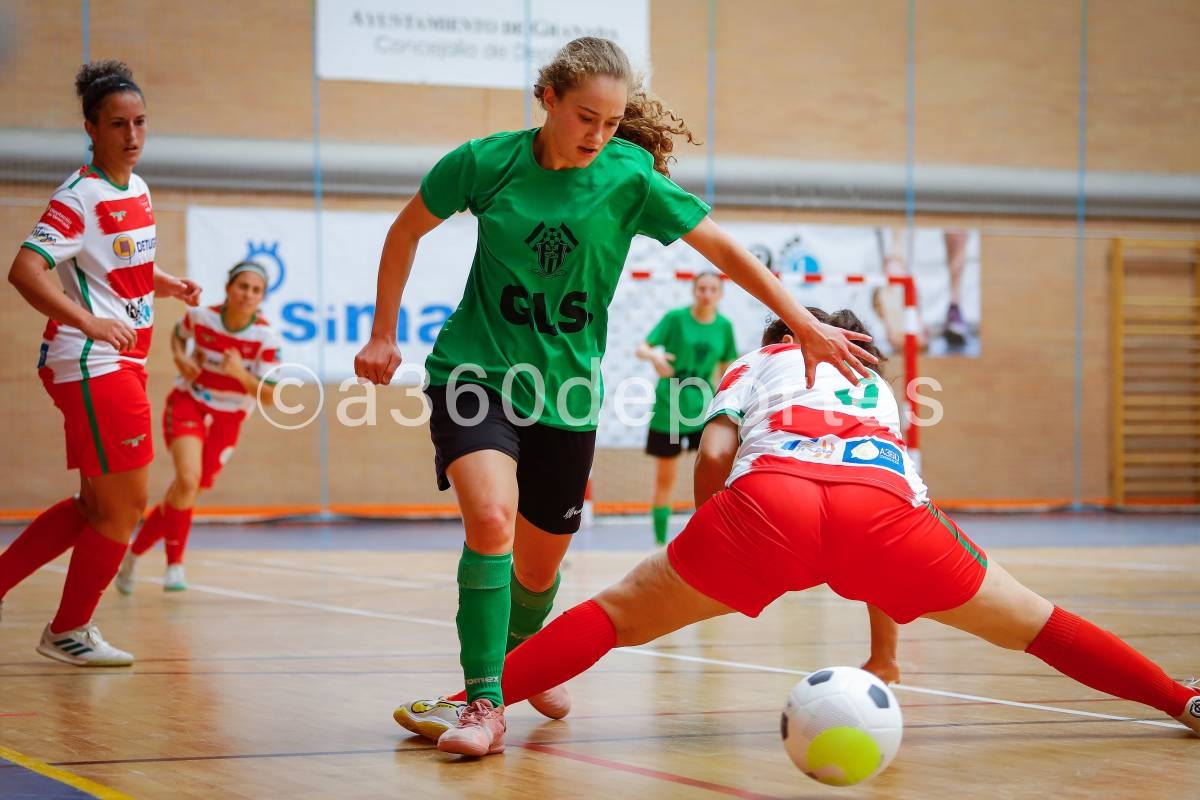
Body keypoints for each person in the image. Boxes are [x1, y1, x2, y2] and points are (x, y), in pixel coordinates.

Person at [353, 36, 878, 757]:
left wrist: (803, 322)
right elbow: (404, 231)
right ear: (547, 100)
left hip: (566, 397)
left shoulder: (630, 178)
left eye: (611, 121)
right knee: (490, 520)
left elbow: (723, 251)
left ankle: (525, 657)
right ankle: (483, 703)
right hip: (475, 374)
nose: (598, 135)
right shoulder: (483, 163)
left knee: (538, 572)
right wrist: (384, 332)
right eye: (584, 118)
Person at [417, 308, 1200, 757]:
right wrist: (886, 652)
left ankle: (465, 704)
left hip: (767, 506)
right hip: (888, 517)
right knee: (1040, 625)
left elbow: (718, 451)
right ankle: (1183, 700)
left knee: (617, 615)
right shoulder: (882, 388)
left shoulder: (756, 361)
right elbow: (876, 528)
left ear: (776, 334)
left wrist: (712, 536)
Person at [0, 61, 200, 666]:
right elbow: (24, 270)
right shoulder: (80, 195)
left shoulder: (135, 189)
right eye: (118, 124)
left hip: (118, 363)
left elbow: (114, 268)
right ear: (92, 127)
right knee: (125, 507)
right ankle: (68, 629)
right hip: (92, 364)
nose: (133, 135)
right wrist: (88, 322)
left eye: (140, 122)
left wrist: (162, 283)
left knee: (94, 506)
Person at [115, 260, 281, 593]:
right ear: (229, 288)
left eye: (256, 290)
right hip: (190, 402)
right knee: (188, 480)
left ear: (262, 297)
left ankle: (132, 556)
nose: (248, 294)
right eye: (243, 286)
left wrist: (239, 373)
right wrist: (180, 359)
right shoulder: (201, 317)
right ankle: (175, 565)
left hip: (230, 417)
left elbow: (271, 396)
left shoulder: (265, 336)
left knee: (186, 491)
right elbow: (178, 336)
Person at [635, 272, 738, 546]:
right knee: (665, 478)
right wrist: (654, 355)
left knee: (712, 477)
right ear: (694, 291)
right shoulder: (675, 318)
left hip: (703, 410)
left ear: (720, 293)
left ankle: (709, 540)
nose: (706, 293)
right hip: (669, 407)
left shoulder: (724, 326)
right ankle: (659, 543)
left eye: (712, 289)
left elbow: (727, 368)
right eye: (702, 288)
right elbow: (642, 348)